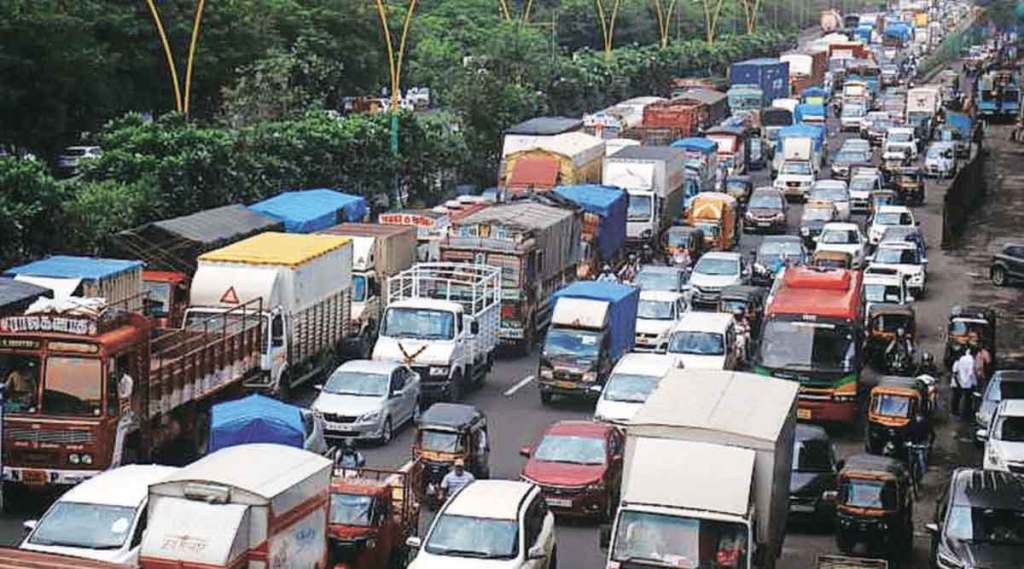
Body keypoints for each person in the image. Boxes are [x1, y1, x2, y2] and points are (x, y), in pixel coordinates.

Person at [906, 412, 935, 492]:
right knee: (910, 460)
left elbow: (932, 434)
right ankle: (909, 475)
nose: (919, 418)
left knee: (922, 459)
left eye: (920, 417)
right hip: (913, 444)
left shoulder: (926, 424)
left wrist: (929, 443)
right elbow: (906, 432)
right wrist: (907, 441)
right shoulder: (911, 423)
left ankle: (923, 472)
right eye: (918, 417)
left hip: (922, 444)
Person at [951, 348, 977, 418]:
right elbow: (955, 375)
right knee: (957, 398)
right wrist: (959, 384)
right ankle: (955, 411)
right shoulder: (957, 363)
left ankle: (965, 412)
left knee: (966, 398)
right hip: (957, 384)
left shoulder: (963, 362)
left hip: (963, 383)